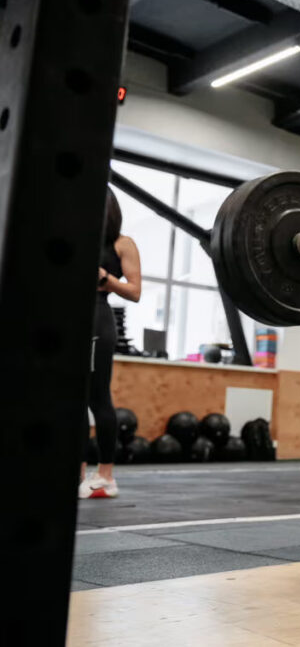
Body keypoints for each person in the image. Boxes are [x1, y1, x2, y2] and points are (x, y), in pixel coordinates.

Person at [79, 190, 141, 499]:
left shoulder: (122, 243)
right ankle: (78, 473)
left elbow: (135, 290)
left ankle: (106, 476)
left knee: (97, 397)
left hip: (97, 319)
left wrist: (105, 278)